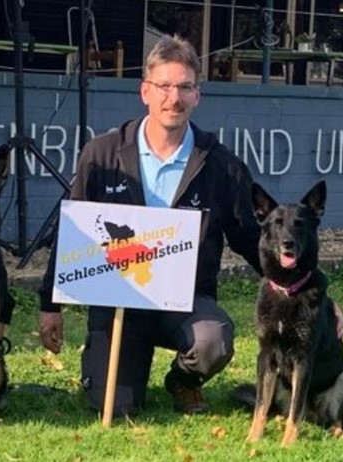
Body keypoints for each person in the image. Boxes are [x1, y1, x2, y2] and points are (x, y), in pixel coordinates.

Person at [36, 36, 264, 417]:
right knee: (114, 407)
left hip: (186, 302)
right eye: (164, 86)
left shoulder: (221, 166)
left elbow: (254, 239)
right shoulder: (101, 153)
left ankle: (183, 381)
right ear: (145, 91)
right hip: (118, 301)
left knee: (213, 341)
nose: (174, 98)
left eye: (185, 87)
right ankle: (112, 369)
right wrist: (50, 305)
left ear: (197, 96)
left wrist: (306, 289)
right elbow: (70, 232)